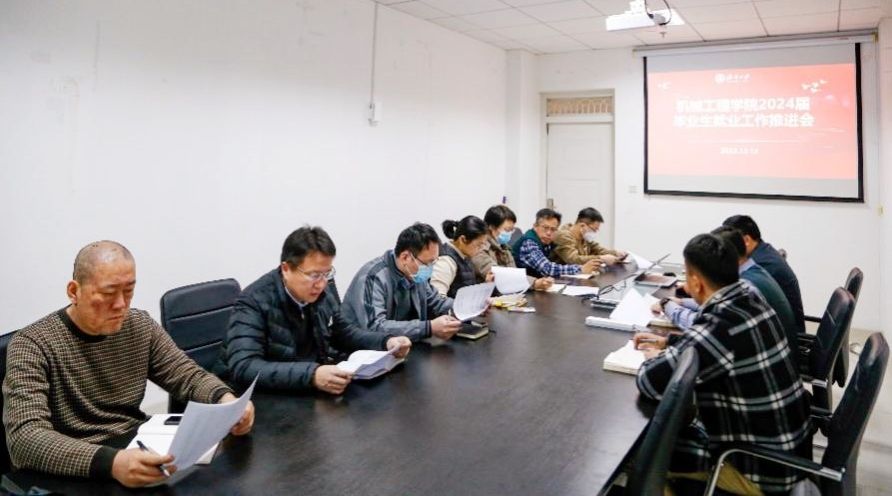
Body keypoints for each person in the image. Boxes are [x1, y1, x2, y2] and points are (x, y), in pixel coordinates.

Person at [3, 241, 255, 488]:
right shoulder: (32, 345)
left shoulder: (138, 326)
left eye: (129, 291)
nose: (121, 305)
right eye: (108, 293)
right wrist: (112, 463)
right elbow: (25, 438)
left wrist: (227, 402)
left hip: (133, 446)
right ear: (73, 291)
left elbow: (187, 375)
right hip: (72, 470)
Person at [634, 234, 811, 495]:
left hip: (757, 470)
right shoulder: (749, 299)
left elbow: (651, 381)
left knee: (643, 458)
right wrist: (670, 342)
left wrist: (652, 357)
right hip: (785, 452)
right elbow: (712, 349)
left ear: (696, 282)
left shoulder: (721, 325)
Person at [224, 227, 411, 395]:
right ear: (286, 269)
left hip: (307, 392)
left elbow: (344, 332)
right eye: (314, 275)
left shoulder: (322, 291)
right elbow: (244, 366)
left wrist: (386, 341)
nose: (321, 284)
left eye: (326, 274)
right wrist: (312, 375)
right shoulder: (253, 301)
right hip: (265, 400)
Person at [656, 227, 799, 369]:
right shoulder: (747, 289)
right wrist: (681, 305)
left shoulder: (745, 289)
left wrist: (667, 304)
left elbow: (704, 329)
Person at [343, 223, 460, 342]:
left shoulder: (416, 275)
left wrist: (463, 307)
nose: (430, 268)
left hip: (405, 344)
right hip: (363, 349)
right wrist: (428, 328)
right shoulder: (373, 277)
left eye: (433, 262)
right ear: (405, 257)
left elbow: (437, 302)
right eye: (427, 263)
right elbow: (375, 327)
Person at [722, 214, 805, 333]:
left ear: (746, 240)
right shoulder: (764, 252)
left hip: (784, 335)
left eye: (728, 242)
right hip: (781, 329)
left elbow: (732, 301)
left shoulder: (759, 265)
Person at [471, 205, 553, 291]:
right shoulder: (479, 248)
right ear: (492, 227)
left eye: (512, 230)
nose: (510, 233)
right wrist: (534, 283)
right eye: (507, 230)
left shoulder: (504, 247)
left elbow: (514, 274)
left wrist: (537, 282)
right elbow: (497, 275)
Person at [512, 208, 601, 278]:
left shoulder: (547, 242)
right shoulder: (529, 242)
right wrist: (581, 269)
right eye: (545, 228)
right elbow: (547, 268)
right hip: (523, 290)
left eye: (553, 229)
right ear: (535, 226)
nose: (548, 233)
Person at [430, 216, 492, 297]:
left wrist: (487, 284)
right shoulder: (446, 262)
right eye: (479, 245)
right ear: (463, 239)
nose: (481, 249)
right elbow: (437, 299)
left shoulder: (465, 256)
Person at [551, 207, 627, 267]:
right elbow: (573, 259)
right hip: (561, 278)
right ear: (582, 225)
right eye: (594, 230)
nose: (595, 233)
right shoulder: (563, 236)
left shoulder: (584, 237)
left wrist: (616, 253)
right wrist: (601, 258)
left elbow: (598, 249)